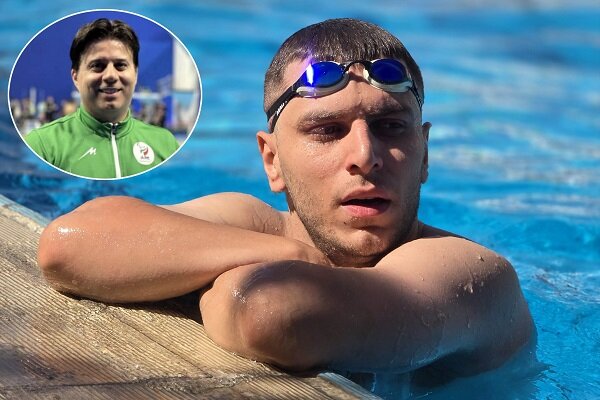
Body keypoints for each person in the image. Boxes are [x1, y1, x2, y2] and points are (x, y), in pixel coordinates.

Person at [37, 18, 533, 381]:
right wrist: (292, 253)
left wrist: (186, 272)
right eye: (327, 131)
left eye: (390, 127)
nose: (365, 156)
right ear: (271, 160)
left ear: (424, 154)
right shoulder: (261, 227)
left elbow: (270, 313)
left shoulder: (473, 275)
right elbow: (68, 245)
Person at [24, 18, 179, 179]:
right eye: (97, 65)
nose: (110, 75)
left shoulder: (166, 144)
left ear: (136, 74)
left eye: (120, 65)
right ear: (76, 77)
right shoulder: (42, 146)